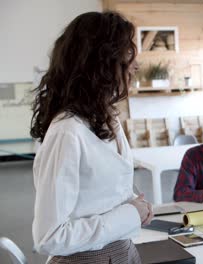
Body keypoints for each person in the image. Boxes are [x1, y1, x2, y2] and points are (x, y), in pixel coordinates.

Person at [30, 11, 152, 263]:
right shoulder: (67, 132)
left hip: (122, 252)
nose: (136, 65)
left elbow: (97, 198)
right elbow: (50, 236)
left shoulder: (109, 119)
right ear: (100, 62)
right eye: (127, 56)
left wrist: (133, 204)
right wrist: (130, 214)